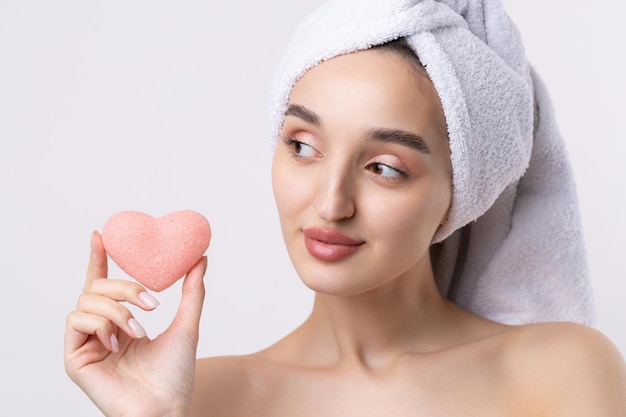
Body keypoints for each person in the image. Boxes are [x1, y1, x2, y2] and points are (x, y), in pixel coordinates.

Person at [64, 1, 626, 416]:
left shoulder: (563, 371)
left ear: (461, 192)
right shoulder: (196, 396)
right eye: (303, 147)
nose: (330, 203)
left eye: (384, 167)